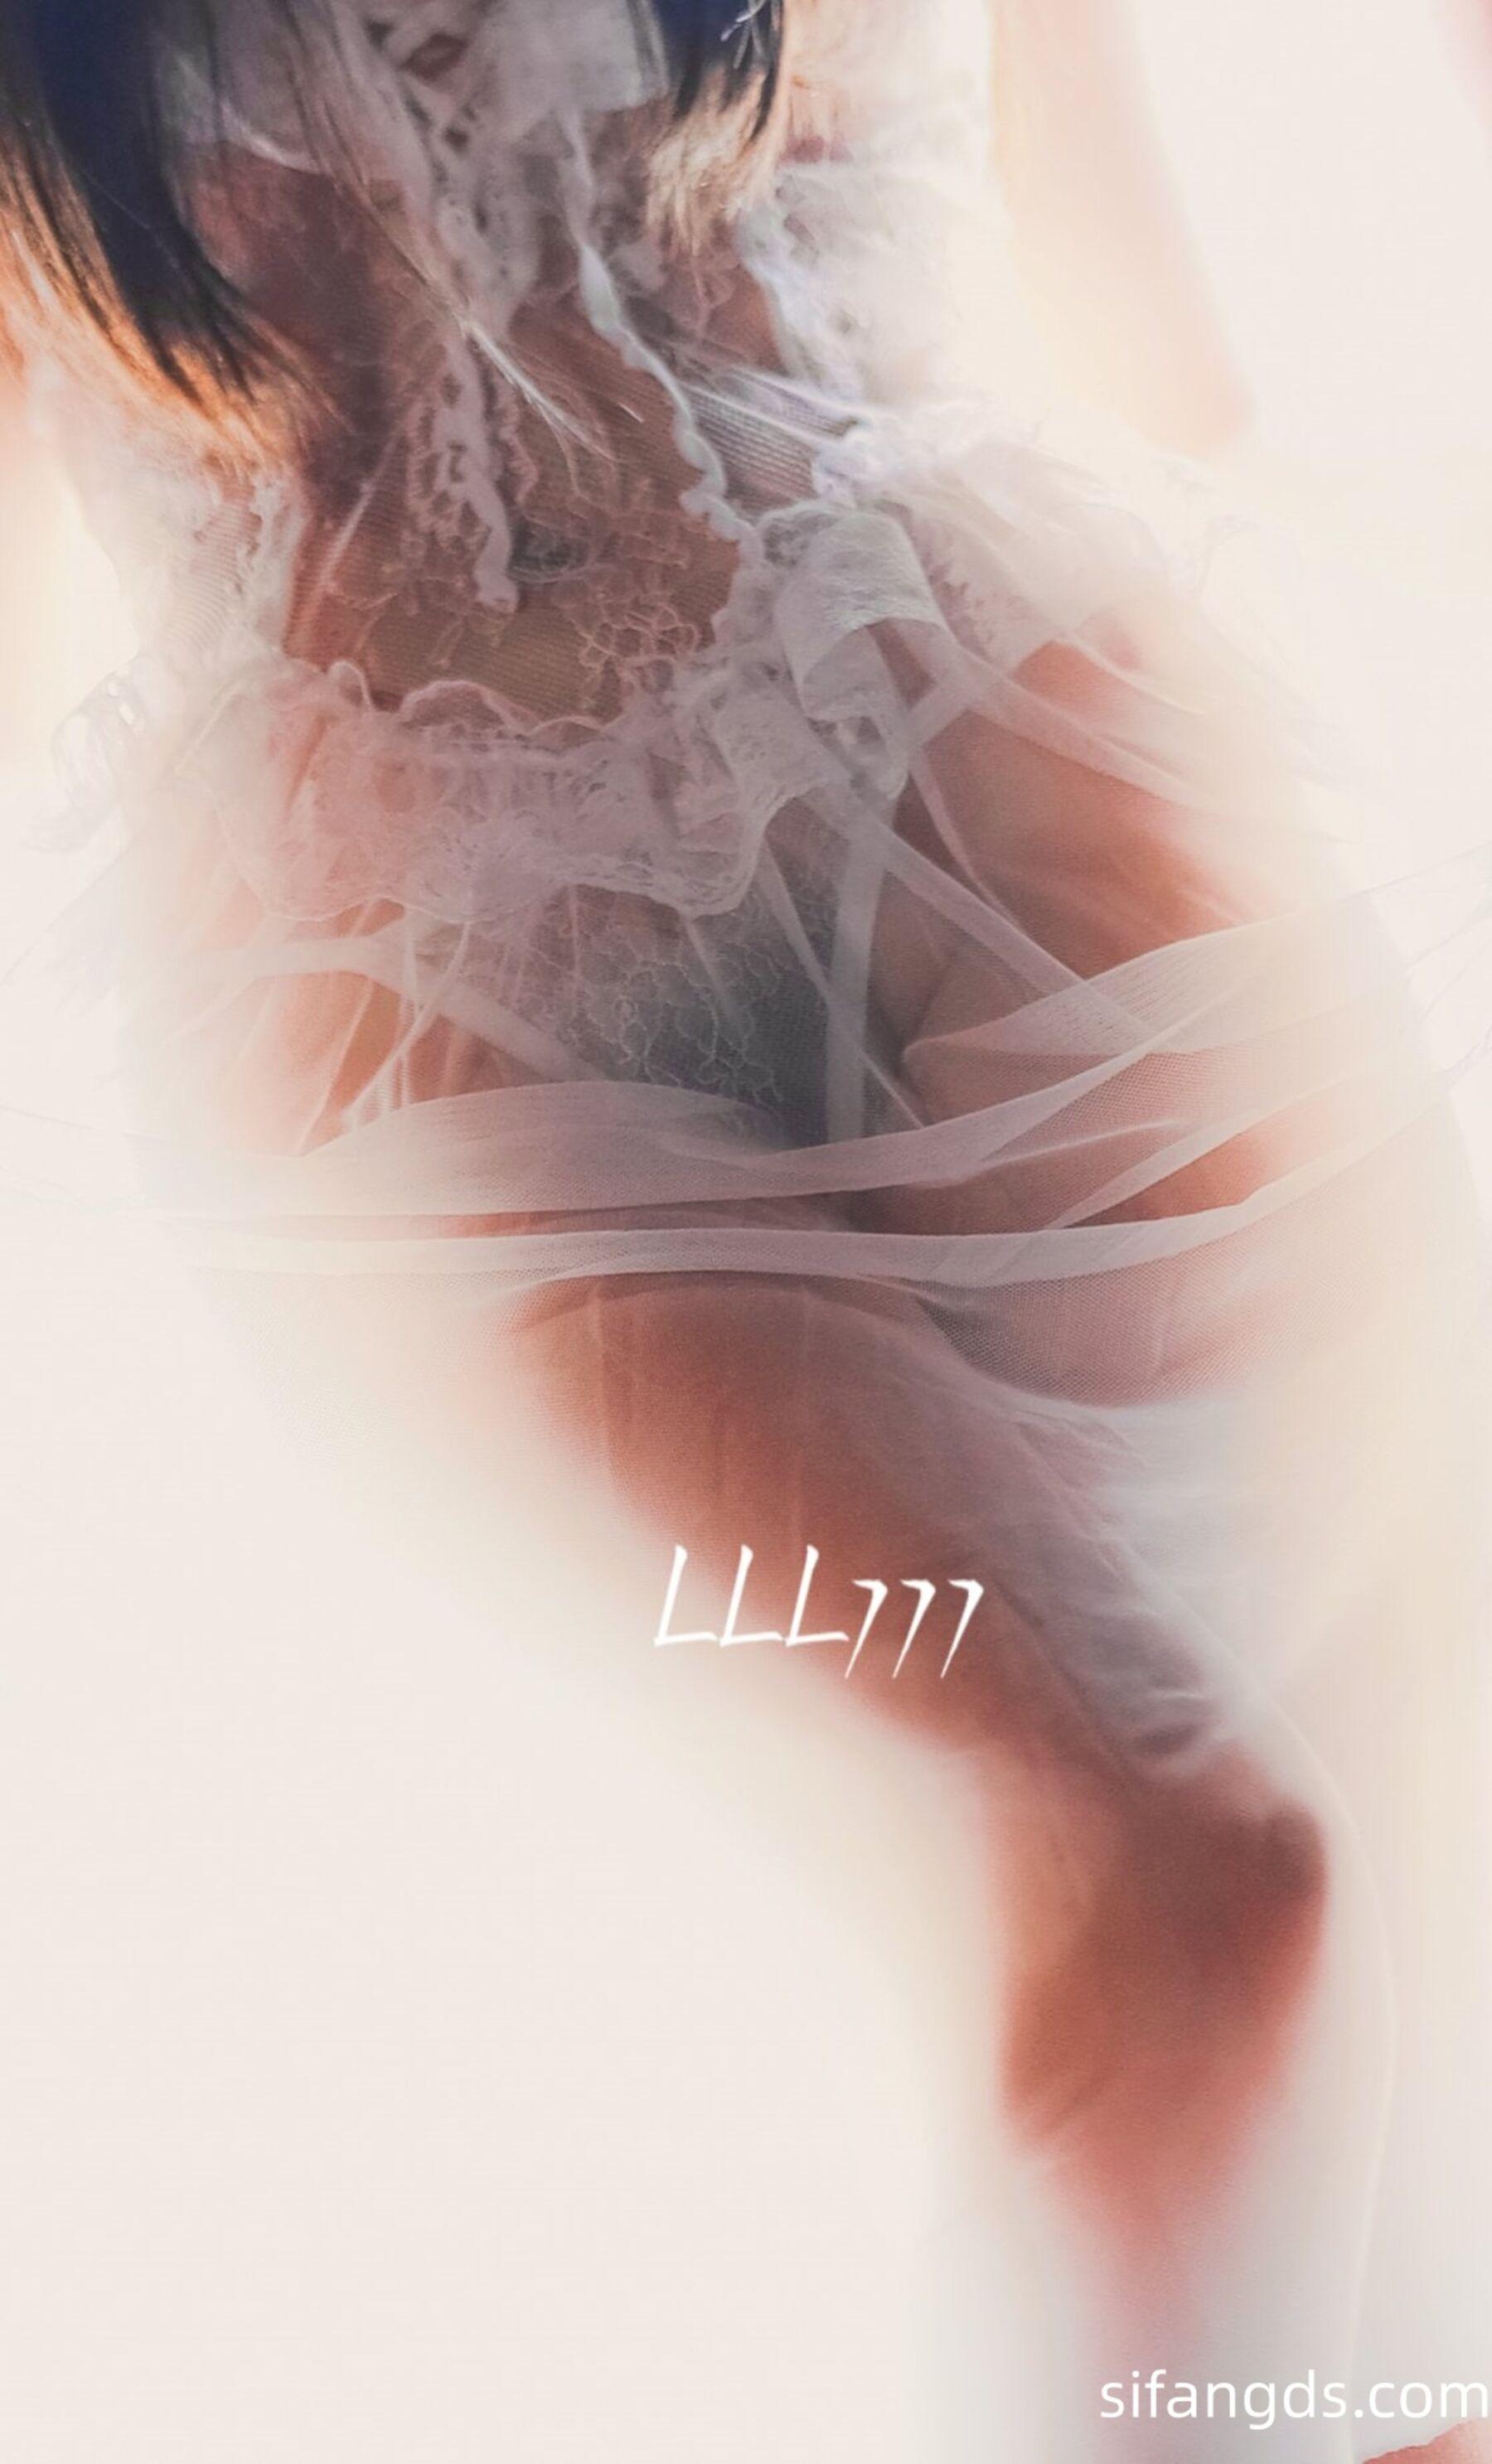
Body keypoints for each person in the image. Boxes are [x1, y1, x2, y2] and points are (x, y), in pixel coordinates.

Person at [1, 2, 1490, 2453]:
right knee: (1194, 1889)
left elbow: (1146, 289)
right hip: (446, 1020)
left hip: (1051, 793)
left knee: (1392, 2214)